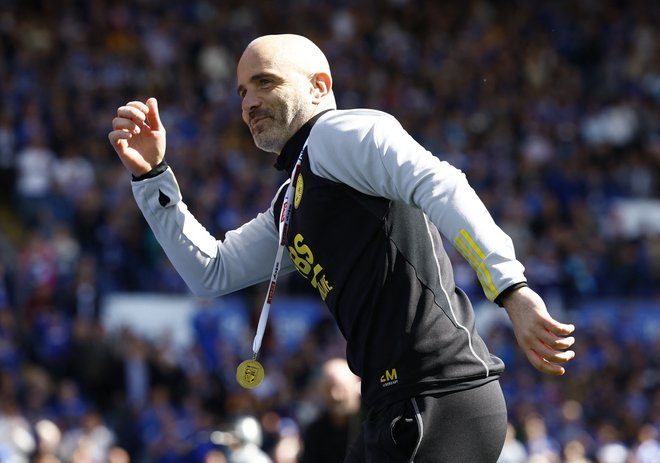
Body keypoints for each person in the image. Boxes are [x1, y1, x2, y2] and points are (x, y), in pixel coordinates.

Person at [109, 33, 576, 462]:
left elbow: (443, 184)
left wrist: (510, 288)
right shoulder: (293, 197)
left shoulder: (339, 134)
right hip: (389, 405)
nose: (249, 102)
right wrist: (152, 179)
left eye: (264, 82)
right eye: (242, 92)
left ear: (319, 86)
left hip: (439, 398)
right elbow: (211, 272)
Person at [299, 358, 361, 463]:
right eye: (328, 389)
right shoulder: (315, 432)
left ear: (356, 387)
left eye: (341, 388)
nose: (335, 395)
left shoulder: (372, 424)